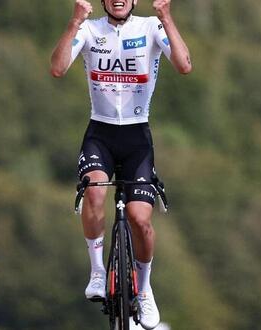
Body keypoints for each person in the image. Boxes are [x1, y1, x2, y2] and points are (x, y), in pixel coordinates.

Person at [50, 0, 191, 329]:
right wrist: (74, 22)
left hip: (137, 137)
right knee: (95, 193)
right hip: (100, 133)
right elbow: (57, 68)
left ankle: (144, 289)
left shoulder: (150, 28)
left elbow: (184, 65)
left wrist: (167, 17)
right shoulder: (89, 29)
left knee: (140, 219)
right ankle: (98, 271)